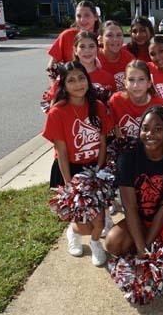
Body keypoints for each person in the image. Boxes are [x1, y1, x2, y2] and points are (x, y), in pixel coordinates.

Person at [42, 61, 111, 266]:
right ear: (63, 85)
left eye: (81, 78)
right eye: (71, 80)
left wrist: (99, 171)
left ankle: (96, 243)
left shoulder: (97, 106)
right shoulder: (58, 112)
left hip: (94, 169)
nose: (78, 83)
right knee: (83, 225)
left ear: (88, 81)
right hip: (70, 169)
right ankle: (73, 232)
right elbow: (61, 152)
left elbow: (102, 141)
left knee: (99, 221)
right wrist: (69, 185)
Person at [105, 105, 163, 257]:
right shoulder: (127, 159)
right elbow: (129, 207)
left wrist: (146, 247)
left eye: (158, 129)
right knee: (113, 242)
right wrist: (140, 246)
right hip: (141, 217)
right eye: (145, 128)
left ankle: (149, 246)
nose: (150, 134)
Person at [45, 31, 116, 105]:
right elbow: (53, 108)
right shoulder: (65, 77)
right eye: (82, 46)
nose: (87, 51)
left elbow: (112, 108)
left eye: (91, 46)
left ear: (97, 50)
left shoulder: (108, 78)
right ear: (75, 50)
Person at [109, 60, 163, 143]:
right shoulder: (116, 100)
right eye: (131, 80)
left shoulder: (159, 104)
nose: (136, 85)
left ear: (149, 83)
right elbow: (113, 131)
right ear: (125, 83)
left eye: (141, 79)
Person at [47, 1, 99, 73]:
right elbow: (51, 66)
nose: (82, 20)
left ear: (96, 17)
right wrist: (55, 83)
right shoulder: (66, 35)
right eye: (78, 16)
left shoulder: (103, 38)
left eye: (87, 15)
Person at [97, 20, 136, 91]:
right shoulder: (94, 58)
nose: (115, 39)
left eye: (119, 35)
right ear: (101, 39)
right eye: (109, 35)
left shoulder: (130, 59)